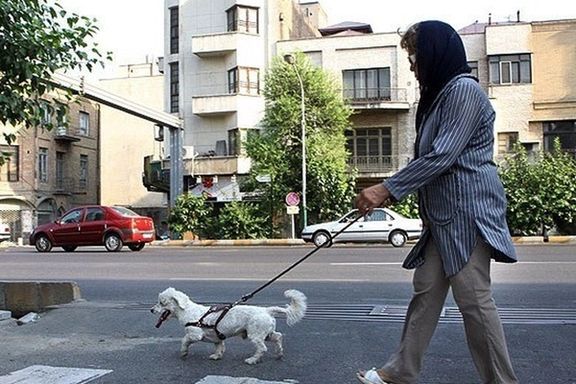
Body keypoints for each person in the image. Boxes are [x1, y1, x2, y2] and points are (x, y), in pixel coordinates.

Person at [355, 21, 519, 384]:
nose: (412, 67)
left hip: (468, 216)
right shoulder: (436, 98)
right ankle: (401, 371)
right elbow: (428, 160)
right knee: (426, 294)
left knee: (475, 303)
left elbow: (442, 156)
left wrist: (385, 189)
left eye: (415, 58)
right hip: (441, 219)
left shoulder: (463, 91)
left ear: (433, 54)